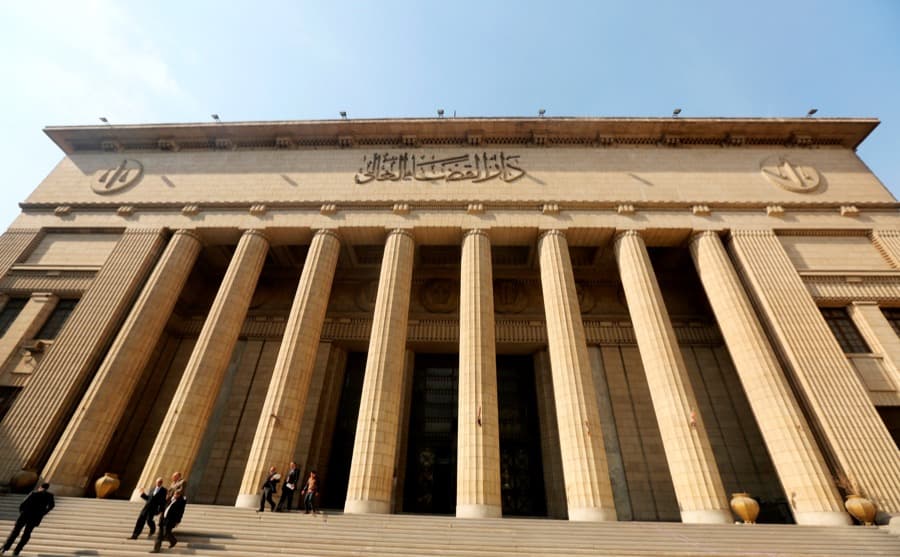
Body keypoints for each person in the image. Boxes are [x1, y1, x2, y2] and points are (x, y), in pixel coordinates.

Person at [1, 482, 55, 556]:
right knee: (27, 534)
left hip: (25, 515)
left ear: (40, 487)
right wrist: (43, 513)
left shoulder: (34, 493)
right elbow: (51, 506)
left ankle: (5, 548)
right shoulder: (50, 496)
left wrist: (22, 511)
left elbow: (23, 504)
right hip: (35, 517)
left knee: (15, 532)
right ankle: (17, 551)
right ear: (47, 488)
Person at [152, 489, 186, 553]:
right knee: (159, 535)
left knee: (166, 533)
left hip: (170, 520)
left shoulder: (180, 502)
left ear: (179, 495)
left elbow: (180, 513)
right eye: (175, 494)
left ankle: (173, 541)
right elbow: (163, 507)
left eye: (177, 494)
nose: (176, 495)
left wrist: (178, 521)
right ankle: (156, 549)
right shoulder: (169, 500)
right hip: (163, 519)